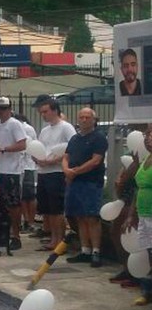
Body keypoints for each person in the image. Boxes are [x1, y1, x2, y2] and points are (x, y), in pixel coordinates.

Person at [63, 108, 107, 267]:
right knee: (79, 216)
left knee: (92, 217)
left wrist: (76, 171)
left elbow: (96, 161)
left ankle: (96, 251)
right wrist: (66, 170)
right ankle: (85, 250)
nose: (84, 120)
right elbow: (66, 157)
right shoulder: (74, 138)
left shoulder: (99, 138)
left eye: (88, 117)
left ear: (94, 120)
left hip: (91, 182)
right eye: (81, 117)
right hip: (75, 182)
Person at [33, 98, 76, 251]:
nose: (43, 115)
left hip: (56, 172)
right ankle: (53, 238)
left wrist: (54, 161)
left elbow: (72, 148)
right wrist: (36, 158)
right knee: (47, 209)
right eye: (41, 112)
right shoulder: (45, 130)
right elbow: (38, 148)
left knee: (57, 209)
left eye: (45, 111)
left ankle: (60, 240)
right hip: (43, 172)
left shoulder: (66, 127)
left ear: (54, 110)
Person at [0, 97, 27, 250]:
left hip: (11, 170)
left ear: (9, 109)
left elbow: (22, 144)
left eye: (3, 108)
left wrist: (2, 149)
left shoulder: (15, 124)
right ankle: (0, 233)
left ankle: (16, 235)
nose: (0, 112)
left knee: (13, 205)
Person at [19, 115, 38, 236]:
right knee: (21, 196)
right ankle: (25, 220)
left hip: (28, 166)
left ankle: (31, 222)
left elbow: (29, 146)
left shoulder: (27, 128)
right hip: (18, 167)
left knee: (30, 196)